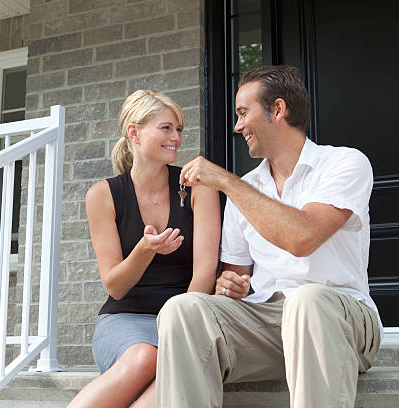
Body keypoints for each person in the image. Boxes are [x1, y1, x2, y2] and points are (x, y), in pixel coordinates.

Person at [155, 65, 382, 408]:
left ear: (277, 110)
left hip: (341, 319)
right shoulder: (246, 190)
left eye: (244, 113)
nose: (237, 126)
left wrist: (227, 181)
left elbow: (302, 237)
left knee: (308, 301)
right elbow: (235, 278)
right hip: (267, 324)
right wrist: (230, 286)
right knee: (182, 310)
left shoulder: (344, 164)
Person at [67, 90, 221, 408]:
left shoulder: (198, 189)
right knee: (144, 358)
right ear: (134, 132)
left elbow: (205, 272)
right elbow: (116, 286)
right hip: (125, 320)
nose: (176, 137)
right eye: (166, 128)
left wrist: (180, 324)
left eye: (179, 129)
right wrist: (144, 250)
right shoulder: (102, 195)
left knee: (171, 365)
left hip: (184, 318)